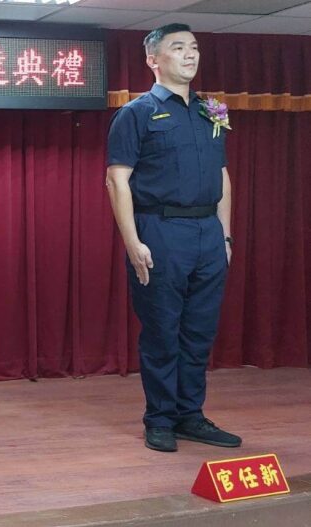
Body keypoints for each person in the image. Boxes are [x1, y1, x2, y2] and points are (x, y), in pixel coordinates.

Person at [106, 23, 240, 452]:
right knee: (163, 332)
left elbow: (222, 176)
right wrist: (132, 242)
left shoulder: (210, 111)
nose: (190, 55)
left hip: (207, 233)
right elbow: (117, 180)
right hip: (161, 230)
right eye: (178, 47)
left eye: (194, 47)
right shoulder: (137, 113)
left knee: (199, 332)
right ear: (153, 60)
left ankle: (190, 415)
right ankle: (160, 418)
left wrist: (225, 237)